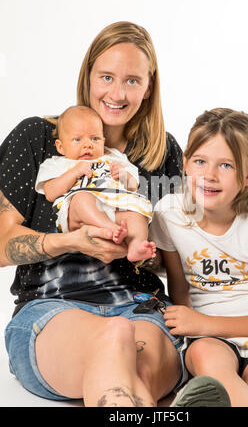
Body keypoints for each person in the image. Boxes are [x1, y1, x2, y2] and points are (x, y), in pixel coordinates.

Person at [0, 21, 185, 407]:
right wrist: (70, 241)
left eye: (133, 81)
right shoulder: (38, 139)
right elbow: (1, 246)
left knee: (139, 376)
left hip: (142, 307)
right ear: (88, 77)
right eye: (106, 77)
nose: (117, 93)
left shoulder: (161, 154)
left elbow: (179, 256)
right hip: (51, 308)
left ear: (149, 87)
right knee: (115, 337)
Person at [150, 108, 248, 407]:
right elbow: (181, 292)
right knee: (211, 363)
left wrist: (205, 323)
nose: (210, 175)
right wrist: (196, 326)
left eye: (226, 165)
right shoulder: (169, 214)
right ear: (185, 164)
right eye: (200, 161)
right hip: (209, 341)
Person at [35, 105, 156, 263]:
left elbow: (133, 186)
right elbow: (50, 193)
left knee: (138, 215)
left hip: (115, 207)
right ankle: (110, 228)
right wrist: (73, 173)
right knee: (82, 198)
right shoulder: (58, 164)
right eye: (77, 140)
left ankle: (136, 246)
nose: (88, 145)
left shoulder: (113, 157)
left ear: (103, 141)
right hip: (80, 214)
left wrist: (123, 175)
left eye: (95, 139)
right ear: (60, 146)